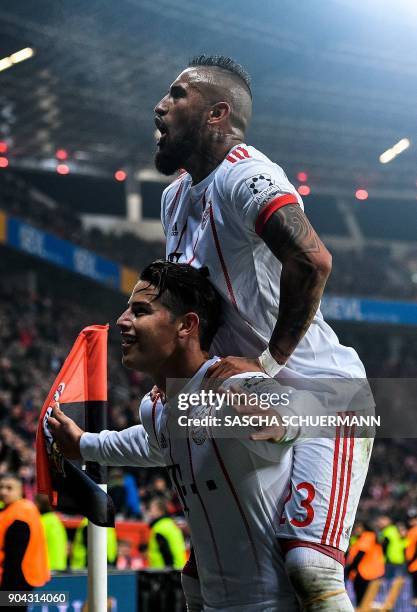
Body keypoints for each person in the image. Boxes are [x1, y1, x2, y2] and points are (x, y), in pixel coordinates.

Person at [153, 54, 374, 610]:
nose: (160, 106)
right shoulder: (174, 198)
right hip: (249, 406)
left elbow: (312, 260)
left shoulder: (247, 174)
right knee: (205, 572)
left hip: (320, 395)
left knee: (310, 568)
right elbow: (192, 309)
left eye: (178, 95)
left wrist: (271, 361)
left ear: (216, 113)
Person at [47, 260, 301, 611]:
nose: (123, 321)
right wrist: (83, 444)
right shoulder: (156, 408)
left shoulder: (230, 385)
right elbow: (152, 442)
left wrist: (276, 421)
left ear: (187, 325)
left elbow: (290, 420)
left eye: (140, 311)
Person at [0, 473, 50, 606]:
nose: (3, 491)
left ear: (21, 490)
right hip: (21, 577)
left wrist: (6, 587)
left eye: (9, 488)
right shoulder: (17, 509)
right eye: (2, 487)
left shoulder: (20, 513)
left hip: (16, 578)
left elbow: (14, 556)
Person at [345, 521, 384, 606]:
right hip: (371, 572)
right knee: (366, 600)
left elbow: (360, 555)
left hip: (364, 573)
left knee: (362, 601)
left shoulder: (367, 536)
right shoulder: (370, 536)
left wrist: (350, 570)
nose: (356, 529)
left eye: (358, 527)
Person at [146, 497, 186, 570]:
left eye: (151, 509)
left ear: (160, 511)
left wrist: (169, 573)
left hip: (164, 572)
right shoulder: (170, 524)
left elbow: (166, 553)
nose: (149, 512)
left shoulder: (159, 528)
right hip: (179, 568)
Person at [35, 493, 68, 571]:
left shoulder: (40, 522)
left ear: (38, 505)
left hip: (46, 568)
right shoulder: (56, 520)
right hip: (60, 566)